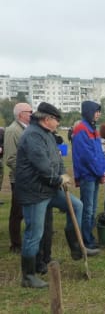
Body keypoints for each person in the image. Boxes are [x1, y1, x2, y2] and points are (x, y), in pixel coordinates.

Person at [16, 102, 99, 288]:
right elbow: (42, 165)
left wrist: (63, 175)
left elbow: (57, 159)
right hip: (34, 192)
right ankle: (28, 276)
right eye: (56, 119)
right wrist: (56, 179)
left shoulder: (48, 134)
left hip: (49, 189)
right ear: (47, 119)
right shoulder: (32, 136)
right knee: (34, 232)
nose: (58, 123)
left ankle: (76, 248)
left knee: (77, 206)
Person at [72, 100, 105, 249]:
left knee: (92, 208)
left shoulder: (93, 128)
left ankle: (90, 235)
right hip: (87, 175)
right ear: (89, 111)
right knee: (87, 209)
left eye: (99, 111)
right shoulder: (81, 129)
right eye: (96, 111)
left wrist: (104, 170)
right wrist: (100, 171)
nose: (98, 114)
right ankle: (86, 239)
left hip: (95, 174)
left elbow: (99, 153)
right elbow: (87, 156)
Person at [4, 103, 33, 253]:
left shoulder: (26, 129)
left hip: (30, 178)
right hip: (20, 179)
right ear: (21, 114)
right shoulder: (12, 130)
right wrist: (28, 172)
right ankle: (15, 244)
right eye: (30, 111)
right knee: (17, 212)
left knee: (29, 210)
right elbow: (10, 158)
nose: (32, 113)